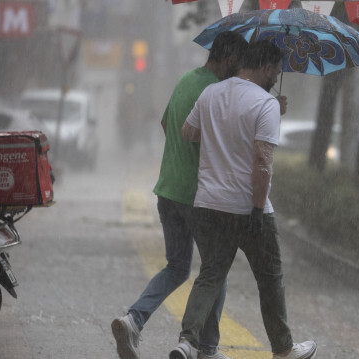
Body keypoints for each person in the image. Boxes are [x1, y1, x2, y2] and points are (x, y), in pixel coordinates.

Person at [169, 40, 316, 359]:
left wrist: (222, 130)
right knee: (270, 279)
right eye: (276, 72)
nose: (275, 78)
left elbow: (187, 133)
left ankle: (187, 342)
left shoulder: (211, 93)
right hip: (249, 207)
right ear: (265, 68)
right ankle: (283, 349)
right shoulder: (265, 105)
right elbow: (263, 162)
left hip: (208, 204)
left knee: (210, 274)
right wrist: (256, 207)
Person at [111, 31, 249, 359]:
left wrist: (182, 155)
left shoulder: (187, 78)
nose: (241, 70)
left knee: (177, 267)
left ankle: (133, 319)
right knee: (216, 268)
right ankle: (206, 349)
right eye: (240, 63)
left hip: (167, 190)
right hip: (197, 196)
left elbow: (165, 123)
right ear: (229, 59)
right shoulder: (217, 91)